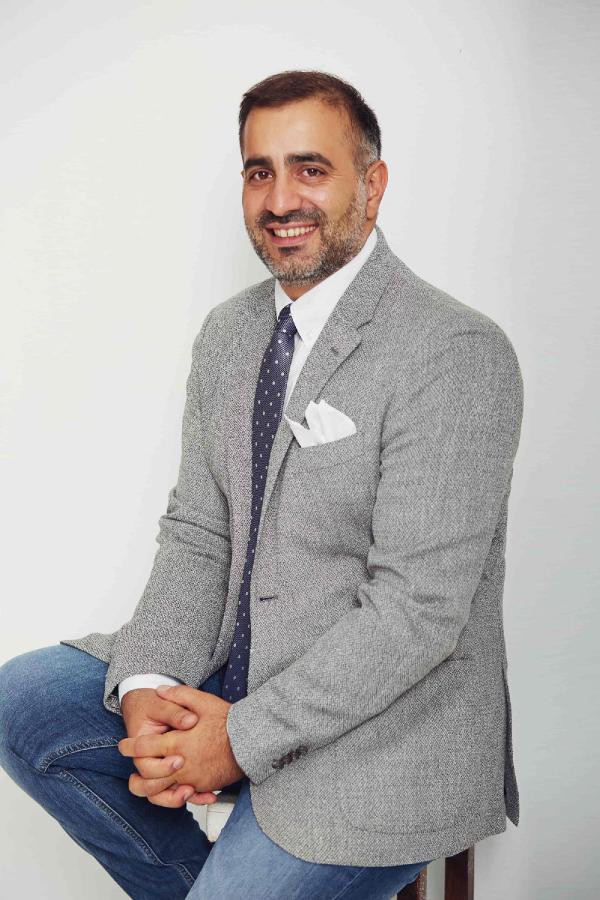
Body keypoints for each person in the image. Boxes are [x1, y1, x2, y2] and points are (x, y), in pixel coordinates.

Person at [0, 69, 523, 899]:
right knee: (25, 700)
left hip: (383, 725)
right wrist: (147, 686)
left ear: (373, 185)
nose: (280, 199)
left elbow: (417, 612)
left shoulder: (454, 352)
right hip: (238, 673)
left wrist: (237, 741)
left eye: (311, 169)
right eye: (259, 172)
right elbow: (199, 532)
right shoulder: (230, 334)